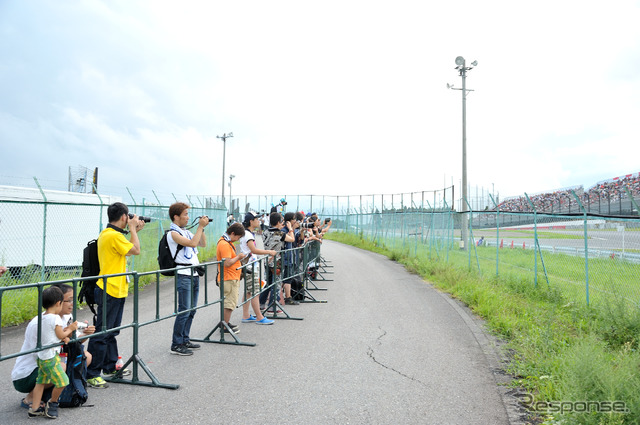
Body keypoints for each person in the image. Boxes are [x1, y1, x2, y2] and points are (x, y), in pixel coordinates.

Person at [86, 202, 144, 389]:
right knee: (102, 332)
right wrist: (133, 229)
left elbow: (127, 249)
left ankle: (110, 366)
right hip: (109, 289)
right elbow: (135, 250)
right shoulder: (112, 235)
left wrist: (135, 231)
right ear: (123, 217)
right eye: (128, 217)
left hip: (115, 288)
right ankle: (92, 373)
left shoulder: (111, 235)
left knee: (111, 331)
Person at [12, 284, 94, 411]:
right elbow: (46, 351)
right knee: (60, 365)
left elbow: (72, 343)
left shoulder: (65, 317)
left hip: (48, 360)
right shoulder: (39, 323)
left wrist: (85, 334)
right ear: (58, 302)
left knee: (85, 357)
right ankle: (31, 398)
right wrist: (68, 335)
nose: (72, 304)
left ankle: (50, 394)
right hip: (28, 372)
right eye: (69, 300)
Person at [27, 286, 78, 419]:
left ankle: (34, 408)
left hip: (42, 357)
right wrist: (71, 329)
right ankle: (52, 403)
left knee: (40, 382)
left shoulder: (42, 317)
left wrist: (64, 336)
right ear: (58, 303)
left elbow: (53, 335)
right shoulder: (55, 318)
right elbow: (60, 334)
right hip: (50, 357)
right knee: (63, 381)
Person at [167, 202, 209, 356]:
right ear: (176, 217)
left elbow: (202, 243)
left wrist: (202, 228)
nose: (187, 217)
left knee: (191, 310)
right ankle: (176, 344)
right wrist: (199, 227)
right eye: (185, 214)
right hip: (183, 274)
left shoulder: (185, 231)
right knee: (184, 310)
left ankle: (185, 338)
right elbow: (192, 243)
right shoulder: (173, 233)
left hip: (194, 274)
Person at [239, 212, 275, 325]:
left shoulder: (247, 233)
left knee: (249, 291)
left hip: (250, 265)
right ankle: (259, 317)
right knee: (255, 292)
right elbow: (253, 250)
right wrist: (269, 252)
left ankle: (246, 315)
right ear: (251, 221)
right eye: (257, 219)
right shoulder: (248, 234)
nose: (259, 221)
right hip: (250, 266)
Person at [259, 212, 295, 311]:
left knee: (268, 283)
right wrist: (290, 229)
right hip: (277, 261)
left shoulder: (265, 232)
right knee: (277, 283)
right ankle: (272, 306)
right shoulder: (280, 233)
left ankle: (261, 304)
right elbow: (292, 239)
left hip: (267, 260)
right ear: (279, 222)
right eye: (282, 221)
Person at [216, 222, 246, 333]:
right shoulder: (224, 244)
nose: (237, 240)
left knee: (230, 302)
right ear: (232, 233)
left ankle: (226, 322)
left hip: (231, 276)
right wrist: (239, 257)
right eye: (237, 237)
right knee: (229, 303)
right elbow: (227, 263)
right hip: (228, 277)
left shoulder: (226, 242)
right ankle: (224, 326)